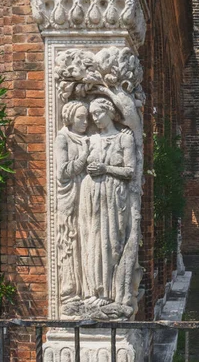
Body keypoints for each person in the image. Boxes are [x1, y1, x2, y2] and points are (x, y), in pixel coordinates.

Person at [79, 97, 136, 312]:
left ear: (109, 112)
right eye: (92, 115)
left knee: (111, 243)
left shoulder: (124, 139)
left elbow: (130, 171)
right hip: (91, 194)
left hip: (114, 195)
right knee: (91, 241)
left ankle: (110, 293)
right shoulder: (91, 139)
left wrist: (106, 168)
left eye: (97, 113)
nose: (94, 118)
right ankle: (93, 290)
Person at [54, 100, 89, 311]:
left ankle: (87, 289)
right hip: (70, 196)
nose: (85, 122)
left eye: (87, 118)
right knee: (70, 241)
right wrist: (84, 157)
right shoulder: (63, 137)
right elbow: (63, 171)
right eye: (80, 118)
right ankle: (69, 291)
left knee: (87, 240)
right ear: (69, 117)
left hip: (88, 197)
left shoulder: (87, 138)